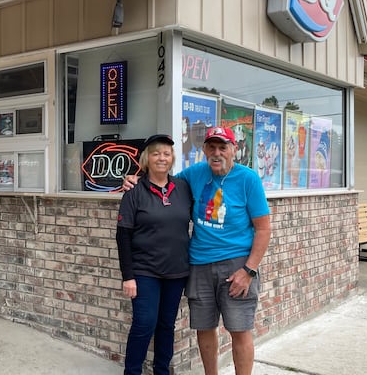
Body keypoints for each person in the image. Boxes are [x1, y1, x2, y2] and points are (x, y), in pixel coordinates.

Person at [124, 126, 272, 375]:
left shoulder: (248, 179)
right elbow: (161, 179)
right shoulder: (193, 174)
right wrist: (136, 178)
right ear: (204, 150)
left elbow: (264, 229)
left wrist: (249, 270)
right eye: (211, 147)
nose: (217, 153)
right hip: (198, 264)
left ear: (233, 150)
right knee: (205, 328)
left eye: (223, 147)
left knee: (239, 329)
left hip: (236, 265)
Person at [116, 134, 193, 375]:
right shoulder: (134, 190)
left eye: (166, 153)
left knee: (166, 326)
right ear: (146, 159)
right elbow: (123, 235)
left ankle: (162, 371)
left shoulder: (182, 187)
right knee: (143, 324)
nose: (162, 157)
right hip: (144, 271)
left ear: (172, 159)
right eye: (156, 153)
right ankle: (132, 372)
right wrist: (128, 276)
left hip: (176, 271)